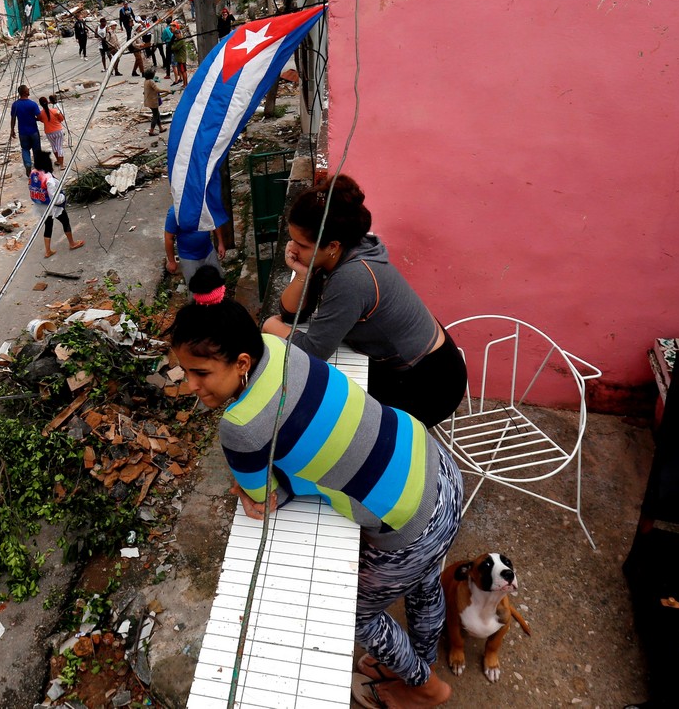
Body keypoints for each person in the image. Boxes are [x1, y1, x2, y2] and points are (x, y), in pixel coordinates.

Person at [169, 265, 461, 709]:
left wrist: (268, 483)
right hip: (438, 464)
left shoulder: (241, 427)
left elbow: (262, 500)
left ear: (241, 363)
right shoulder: (275, 345)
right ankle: (423, 659)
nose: (190, 386)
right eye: (184, 372)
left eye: (201, 373)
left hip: (411, 525)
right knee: (424, 582)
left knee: (359, 616)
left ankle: (425, 687)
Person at [262, 175, 468, 428]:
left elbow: (313, 352)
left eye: (301, 245)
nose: (293, 249)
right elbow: (293, 315)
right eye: (291, 239)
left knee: (340, 423)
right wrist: (302, 274)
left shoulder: (352, 277)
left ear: (332, 246)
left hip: (429, 382)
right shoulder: (340, 251)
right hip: (398, 362)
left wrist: (271, 328)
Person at [29, 164, 84, 258]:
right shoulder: (49, 179)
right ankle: (72, 243)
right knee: (65, 221)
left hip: (41, 206)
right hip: (52, 207)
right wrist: (63, 197)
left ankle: (48, 251)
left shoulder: (33, 173)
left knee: (48, 226)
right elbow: (55, 198)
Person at [164, 205, 223, 282]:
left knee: (217, 283)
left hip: (208, 251)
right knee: (196, 289)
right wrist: (172, 261)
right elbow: (168, 238)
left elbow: (214, 222)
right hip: (188, 258)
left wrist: (221, 243)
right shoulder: (175, 212)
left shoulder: (204, 204)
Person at [9, 84, 43, 176]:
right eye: (28, 90)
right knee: (36, 150)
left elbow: (13, 118)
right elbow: (39, 117)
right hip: (33, 131)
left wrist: (12, 130)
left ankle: (28, 164)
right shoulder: (32, 104)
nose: (29, 90)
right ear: (25, 92)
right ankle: (38, 168)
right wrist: (35, 118)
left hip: (22, 132)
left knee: (25, 149)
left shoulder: (15, 105)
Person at [37, 96, 66, 168]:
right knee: (59, 147)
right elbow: (62, 118)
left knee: (54, 146)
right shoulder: (55, 111)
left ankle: (58, 161)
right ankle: (62, 165)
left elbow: (40, 120)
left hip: (49, 132)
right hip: (58, 131)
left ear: (40, 104)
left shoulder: (40, 114)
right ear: (48, 102)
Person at [143, 68, 170, 136]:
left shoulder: (146, 81)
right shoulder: (151, 81)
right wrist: (166, 90)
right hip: (153, 101)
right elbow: (157, 90)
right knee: (155, 116)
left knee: (157, 114)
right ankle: (151, 131)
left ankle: (161, 128)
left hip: (148, 101)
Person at [171, 22, 190, 86]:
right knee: (181, 71)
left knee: (183, 71)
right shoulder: (177, 40)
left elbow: (174, 48)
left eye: (177, 34)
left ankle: (185, 83)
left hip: (181, 59)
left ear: (179, 34)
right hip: (179, 58)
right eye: (175, 34)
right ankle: (184, 83)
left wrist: (173, 46)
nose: (176, 35)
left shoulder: (181, 41)